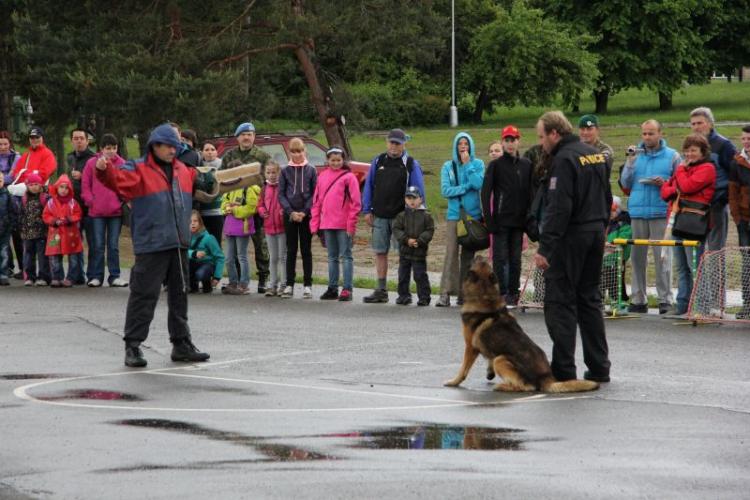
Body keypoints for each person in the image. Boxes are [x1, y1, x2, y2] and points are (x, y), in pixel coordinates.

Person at [94, 123, 211, 368]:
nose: (172, 150)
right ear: (154, 146)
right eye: (168, 146)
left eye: (175, 146)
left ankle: (181, 343)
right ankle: (133, 346)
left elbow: (205, 181)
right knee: (144, 295)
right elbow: (115, 179)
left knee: (180, 295)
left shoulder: (183, 170)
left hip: (179, 242)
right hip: (151, 244)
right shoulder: (137, 169)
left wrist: (210, 178)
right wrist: (103, 170)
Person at [533, 110, 611, 383]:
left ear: (555, 133)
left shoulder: (564, 159)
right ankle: (600, 366)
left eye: (542, 137)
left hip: (571, 237)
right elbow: (606, 196)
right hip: (595, 233)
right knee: (589, 300)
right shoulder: (595, 154)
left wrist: (545, 248)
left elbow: (559, 208)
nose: (541, 143)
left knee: (560, 302)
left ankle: (564, 370)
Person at [620, 120, 681, 314]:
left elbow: (679, 183)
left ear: (660, 133)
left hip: (660, 211)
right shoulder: (635, 155)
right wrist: (629, 163)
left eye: (651, 133)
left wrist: (664, 183)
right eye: (644, 134)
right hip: (638, 211)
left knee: (662, 256)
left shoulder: (672, 156)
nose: (647, 137)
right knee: (637, 257)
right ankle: (638, 298)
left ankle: (665, 299)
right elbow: (625, 182)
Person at [361, 128, 425, 303]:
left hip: (401, 218)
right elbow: (369, 187)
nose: (394, 146)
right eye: (392, 142)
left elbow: (419, 192)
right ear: (387, 142)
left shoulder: (411, 164)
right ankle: (381, 290)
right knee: (380, 252)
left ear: (404, 144)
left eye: (398, 143)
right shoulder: (377, 161)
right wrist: (366, 210)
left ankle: (404, 292)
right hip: (379, 216)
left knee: (404, 255)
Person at [660, 134, 716, 317]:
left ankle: (702, 306)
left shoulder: (707, 168)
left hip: (694, 223)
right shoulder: (682, 168)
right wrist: (677, 185)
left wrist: (680, 175)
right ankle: (683, 304)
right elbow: (665, 190)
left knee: (696, 266)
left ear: (702, 152)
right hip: (676, 219)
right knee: (681, 266)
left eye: (693, 150)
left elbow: (686, 187)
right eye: (687, 150)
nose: (689, 154)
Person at [481, 125, 532, 306]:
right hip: (500, 220)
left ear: (519, 141)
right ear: (503, 142)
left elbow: (529, 192)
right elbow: (485, 193)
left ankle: (513, 292)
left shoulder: (526, 164)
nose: (510, 144)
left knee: (515, 259)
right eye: (507, 140)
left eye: (513, 140)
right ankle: (500, 292)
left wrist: (529, 218)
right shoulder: (495, 165)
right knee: (500, 257)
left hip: (518, 221)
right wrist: (489, 219)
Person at [221, 122, 271, 293]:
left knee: (260, 244)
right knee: (235, 249)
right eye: (243, 134)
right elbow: (221, 179)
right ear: (238, 137)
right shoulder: (229, 156)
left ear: (254, 136)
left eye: (250, 134)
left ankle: (263, 277)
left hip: (255, 207)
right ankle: (238, 281)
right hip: (234, 209)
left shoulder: (262, 156)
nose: (246, 137)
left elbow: (269, 180)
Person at [436, 131, 484, 307]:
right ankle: (445, 293)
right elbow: (445, 191)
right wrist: (464, 187)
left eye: (466, 144)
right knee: (451, 254)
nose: (463, 146)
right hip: (454, 216)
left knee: (468, 256)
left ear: (470, 146)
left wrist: (468, 165)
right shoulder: (447, 167)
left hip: (472, 217)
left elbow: (479, 184)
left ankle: (465, 294)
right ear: (455, 147)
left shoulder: (478, 164)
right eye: (460, 144)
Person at [310, 147, 362, 302]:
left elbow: (356, 203)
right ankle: (332, 288)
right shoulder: (322, 176)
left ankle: (347, 288)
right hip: (327, 224)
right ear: (327, 161)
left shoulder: (349, 177)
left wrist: (351, 224)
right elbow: (316, 201)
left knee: (346, 256)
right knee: (332, 257)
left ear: (343, 160)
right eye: (332, 160)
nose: (336, 163)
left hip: (343, 224)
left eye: (339, 160)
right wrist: (315, 223)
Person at [81, 133, 127, 287]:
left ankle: (114, 275)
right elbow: (85, 185)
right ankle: (96, 276)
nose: (111, 151)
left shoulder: (122, 164)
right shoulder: (91, 163)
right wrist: (91, 201)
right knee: (98, 245)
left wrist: (121, 202)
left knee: (113, 245)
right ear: (101, 149)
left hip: (116, 212)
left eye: (114, 148)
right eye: (108, 148)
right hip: (97, 211)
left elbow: (126, 186)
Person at [689, 107, 737, 251]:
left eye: (700, 123)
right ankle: (700, 275)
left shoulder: (724, 145)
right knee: (696, 250)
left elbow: (735, 174)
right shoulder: (690, 145)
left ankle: (717, 274)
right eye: (693, 124)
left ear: (710, 123)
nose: (696, 127)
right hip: (695, 205)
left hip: (716, 204)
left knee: (715, 250)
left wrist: (724, 198)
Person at [278, 137, 317, 299]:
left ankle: (307, 285)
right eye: (293, 152)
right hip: (290, 216)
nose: (297, 154)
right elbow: (281, 194)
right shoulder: (285, 170)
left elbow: (314, 193)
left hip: (305, 216)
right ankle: (289, 284)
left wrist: (305, 211)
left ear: (304, 150)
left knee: (306, 250)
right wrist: (290, 211)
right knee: (291, 250)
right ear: (289, 152)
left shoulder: (311, 169)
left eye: (300, 151)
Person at [392, 186, 434, 306]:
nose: (411, 201)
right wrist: (406, 239)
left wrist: (420, 240)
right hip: (405, 250)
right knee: (403, 275)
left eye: (414, 198)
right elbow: (397, 229)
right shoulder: (401, 216)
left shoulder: (426, 216)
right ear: (405, 200)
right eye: (409, 198)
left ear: (420, 199)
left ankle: (424, 297)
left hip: (419, 251)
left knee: (420, 275)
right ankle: (404, 296)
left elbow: (429, 231)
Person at [66, 128, 96, 284]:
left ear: (87, 140)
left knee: (93, 243)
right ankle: (77, 274)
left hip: (90, 207)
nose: (78, 141)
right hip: (73, 207)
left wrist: (83, 175)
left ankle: (93, 276)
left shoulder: (94, 158)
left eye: (81, 138)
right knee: (74, 242)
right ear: (72, 141)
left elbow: (99, 180)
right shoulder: (70, 157)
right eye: (75, 138)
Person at [42, 175, 84, 287]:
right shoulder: (51, 203)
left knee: (73, 257)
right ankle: (57, 277)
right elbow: (46, 215)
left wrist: (69, 219)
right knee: (54, 256)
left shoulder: (73, 203)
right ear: (57, 188)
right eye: (61, 187)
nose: (64, 190)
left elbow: (78, 214)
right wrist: (54, 221)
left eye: (66, 188)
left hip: (71, 234)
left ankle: (71, 278)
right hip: (55, 234)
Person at [220, 179, 260, 295]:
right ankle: (233, 282)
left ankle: (244, 284)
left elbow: (252, 208)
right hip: (229, 227)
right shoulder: (229, 190)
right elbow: (223, 203)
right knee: (228, 258)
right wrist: (225, 208)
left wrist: (234, 209)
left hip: (243, 226)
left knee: (242, 256)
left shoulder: (248, 189)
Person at [730, 125, 750, 319]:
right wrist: (737, 217)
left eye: (749, 139)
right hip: (744, 219)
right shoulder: (737, 162)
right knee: (747, 263)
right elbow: (733, 193)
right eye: (744, 139)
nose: (746, 142)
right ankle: (748, 304)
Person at [257, 160, 286, 297]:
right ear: (264, 174)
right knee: (273, 258)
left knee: (282, 257)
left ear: (279, 172)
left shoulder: (283, 187)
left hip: (282, 228)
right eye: (268, 172)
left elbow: (287, 201)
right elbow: (260, 204)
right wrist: (262, 211)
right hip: (269, 228)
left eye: (274, 172)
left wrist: (283, 211)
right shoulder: (264, 188)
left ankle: (284, 285)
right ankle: (272, 285)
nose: (271, 175)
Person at [17, 173, 50, 286]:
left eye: (36, 184)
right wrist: (21, 226)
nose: (34, 187)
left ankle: (43, 277)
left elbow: (48, 213)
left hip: (41, 233)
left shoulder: (45, 198)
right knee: (28, 256)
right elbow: (21, 214)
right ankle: (30, 277)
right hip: (27, 233)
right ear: (27, 186)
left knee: (42, 256)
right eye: (31, 185)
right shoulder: (24, 199)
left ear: (41, 185)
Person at [602, 196, 632, 312]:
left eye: (612, 210)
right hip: (605, 257)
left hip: (618, 258)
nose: (610, 213)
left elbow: (625, 236)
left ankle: (620, 302)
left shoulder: (624, 222)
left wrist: (612, 242)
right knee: (603, 280)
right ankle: (601, 301)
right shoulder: (605, 222)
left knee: (616, 280)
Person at [0, 131, 22, 277]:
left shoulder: (17, 157)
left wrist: (2, 178)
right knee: (3, 234)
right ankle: (7, 266)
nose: (2, 147)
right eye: (0, 144)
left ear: (10, 144)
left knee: (17, 233)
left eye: (5, 144)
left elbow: (14, 175)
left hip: (13, 198)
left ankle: (23, 267)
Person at [188, 210, 224, 293]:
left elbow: (220, 257)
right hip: (192, 263)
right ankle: (192, 285)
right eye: (190, 222)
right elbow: (181, 252)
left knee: (201, 273)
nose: (192, 223)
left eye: (195, 221)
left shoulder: (209, 238)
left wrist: (217, 277)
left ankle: (207, 284)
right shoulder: (185, 237)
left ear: (200, 223)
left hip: (206, 264)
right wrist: (193, 254)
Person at [198, 141, 224, 245]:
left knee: (216, 242)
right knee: (204, 244)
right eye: (207, 150)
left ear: (217, 152)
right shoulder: (197, 166)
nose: (210, 152)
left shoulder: (223, 165)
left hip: (217, 211)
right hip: (201, 212)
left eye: (212, 149)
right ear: (202, 152)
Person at [0, 173, 15, 285]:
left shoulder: (7, 194)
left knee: (4, 253)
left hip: (4, 229)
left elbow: (13, 211)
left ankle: (3, 274)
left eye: (0, 179)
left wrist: (10, 225)